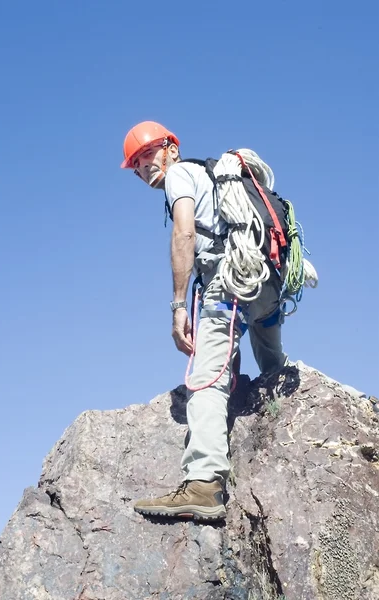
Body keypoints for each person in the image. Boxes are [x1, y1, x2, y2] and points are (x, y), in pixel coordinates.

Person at [120, 121, 288, 521]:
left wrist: (178, 306)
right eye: (137, 164)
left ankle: (203, 484)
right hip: (263, 277)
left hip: (228, 281)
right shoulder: (209, 177)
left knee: (208, 377)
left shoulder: (180, 175)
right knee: (272, 366)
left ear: (171, 149)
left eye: (147, 156)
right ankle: (286, 419)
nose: (144, 168)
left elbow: (184, 235)